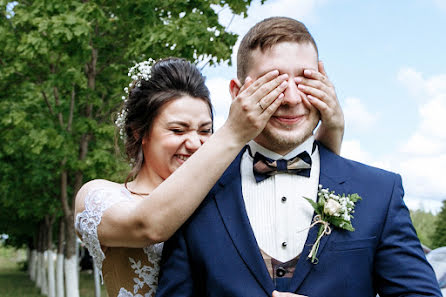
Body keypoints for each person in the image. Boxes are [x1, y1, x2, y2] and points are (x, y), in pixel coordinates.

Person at [155, 18, 442, 297]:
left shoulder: (380, 191)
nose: (292, 98)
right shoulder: (194, 193)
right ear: (237, 92)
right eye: (274, 80)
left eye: (305, 79)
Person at [74, 57, 344, 297]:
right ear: (138, 132)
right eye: (178, 130)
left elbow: (303, 178)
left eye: (205, 131)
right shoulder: (98, 197)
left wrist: (333, 127)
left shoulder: (223, 194)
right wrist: (234, 132)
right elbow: (148, 225)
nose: (195, 143)